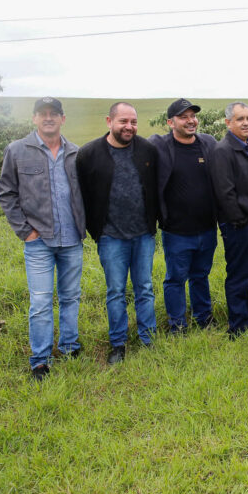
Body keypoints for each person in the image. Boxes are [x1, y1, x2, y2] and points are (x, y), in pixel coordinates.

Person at [0, 97, 86, 381]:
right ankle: (40, 360)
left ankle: (70, 345)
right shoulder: (17, 150)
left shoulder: (75, 152)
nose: (48, 118)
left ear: (63, 118)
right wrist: (26, 232)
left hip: (72, 238)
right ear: (34, 118)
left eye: (54, 114)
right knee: (40, 302)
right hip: (39, 242)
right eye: (42, 114)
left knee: (71, 296)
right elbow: (7, 194)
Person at [76, 102, 158, 364]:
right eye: (123, 121)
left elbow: (155, 187)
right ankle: (118, 345)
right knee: (115, 291)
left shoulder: (147, 149)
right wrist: (96, 231)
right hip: (111, 237)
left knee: (145, 287)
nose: (129, 127)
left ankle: (148, 339)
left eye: (133, 122)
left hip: (143, 234)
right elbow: (82, 195)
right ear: (109, 121)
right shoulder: (89, 154)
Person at [149, 98, 219, 334]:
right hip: (176, 230)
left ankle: (203, 317)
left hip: (207, 227)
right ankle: (177, 324)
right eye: (183, 117)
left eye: (193, 116)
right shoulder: (160, 146)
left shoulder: (208, 143)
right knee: (175, 278)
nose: (191, 121)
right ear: (170, 122)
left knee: (201, 275)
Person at [213, 102, 248, 338]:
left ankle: (247, 313)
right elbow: (225, 192)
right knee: (238, 274)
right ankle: (238, 326)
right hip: (239, 225)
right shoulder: (223, 150)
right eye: (239, 119)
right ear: (228, 123)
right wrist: (239, 221)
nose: (246, 122)